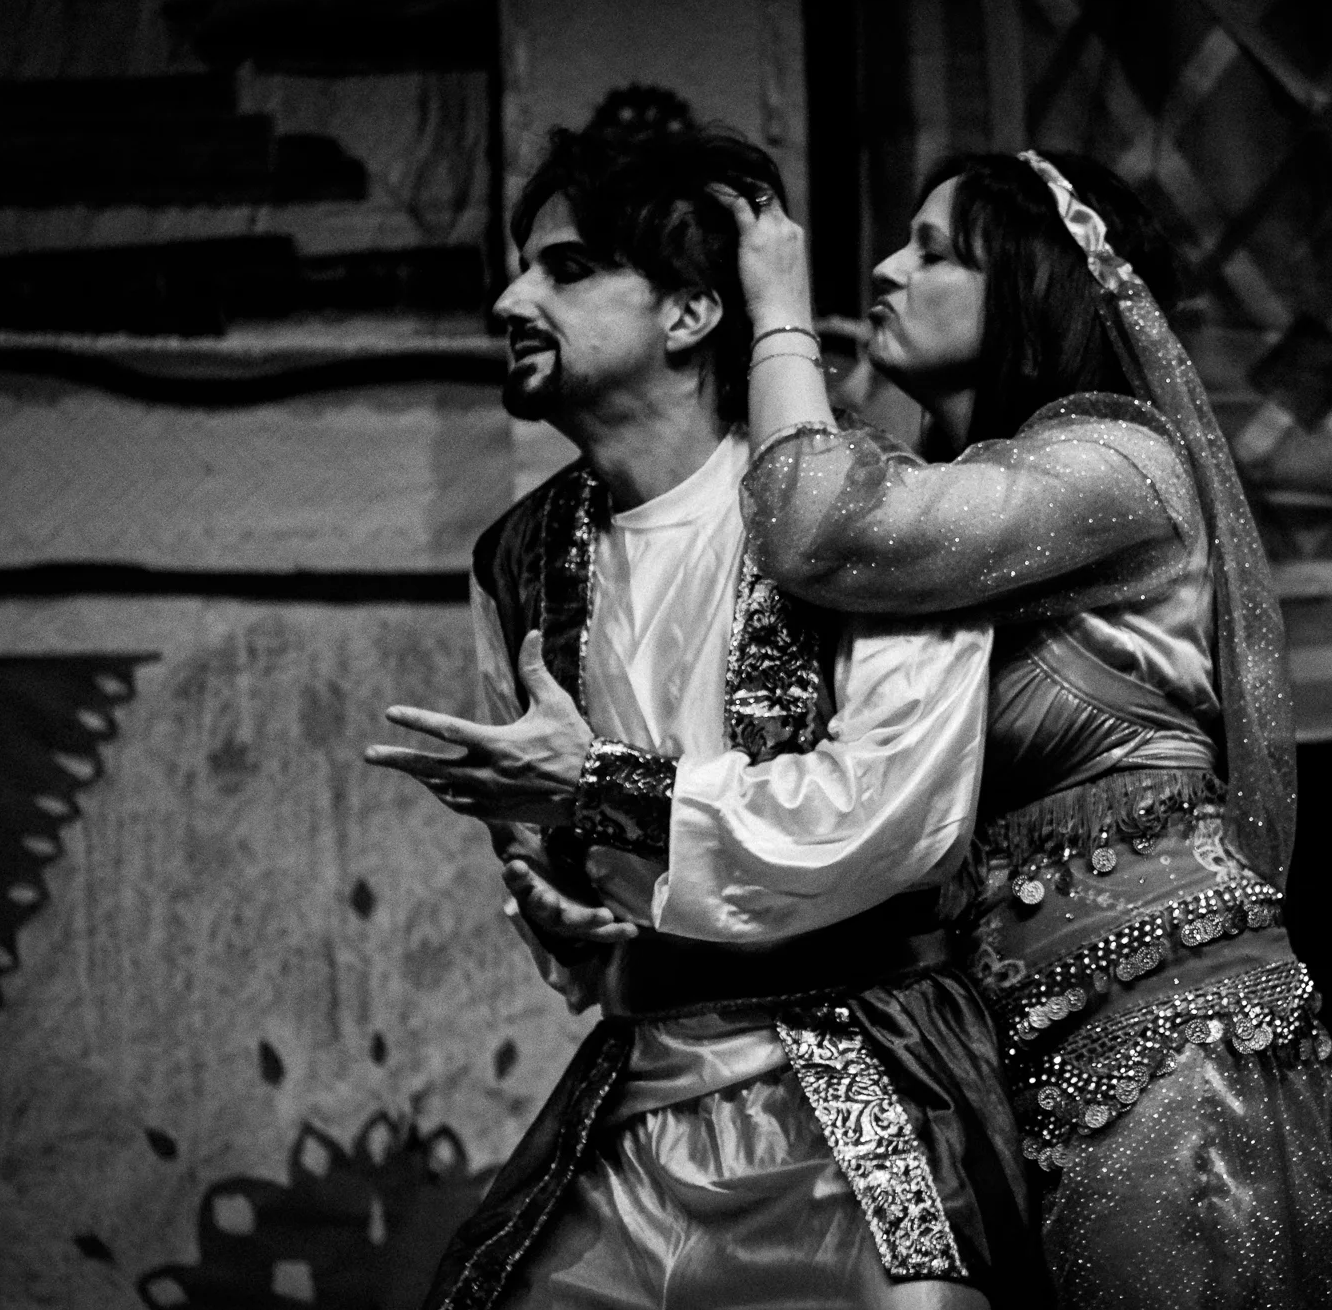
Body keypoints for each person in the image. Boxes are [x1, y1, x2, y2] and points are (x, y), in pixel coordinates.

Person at [363, 124, 1046, 1310]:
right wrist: (555, 901)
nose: (510, 301)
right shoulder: (517, 557)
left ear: (688, 313)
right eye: (521, 270)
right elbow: (560, 851)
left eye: (567, 269)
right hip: (642, 1089)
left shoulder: (865, 506)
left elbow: (895, 813)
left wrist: (604, 788)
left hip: (852, 1078)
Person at [718, 151, 1332, 1308]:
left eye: (933, 252)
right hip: (1011, 1044)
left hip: (1165, 1034)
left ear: (1033, 287)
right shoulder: (987, 503)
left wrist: (777, 318)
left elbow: (818, 525)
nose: (884, 269)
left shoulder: (1117, 467)